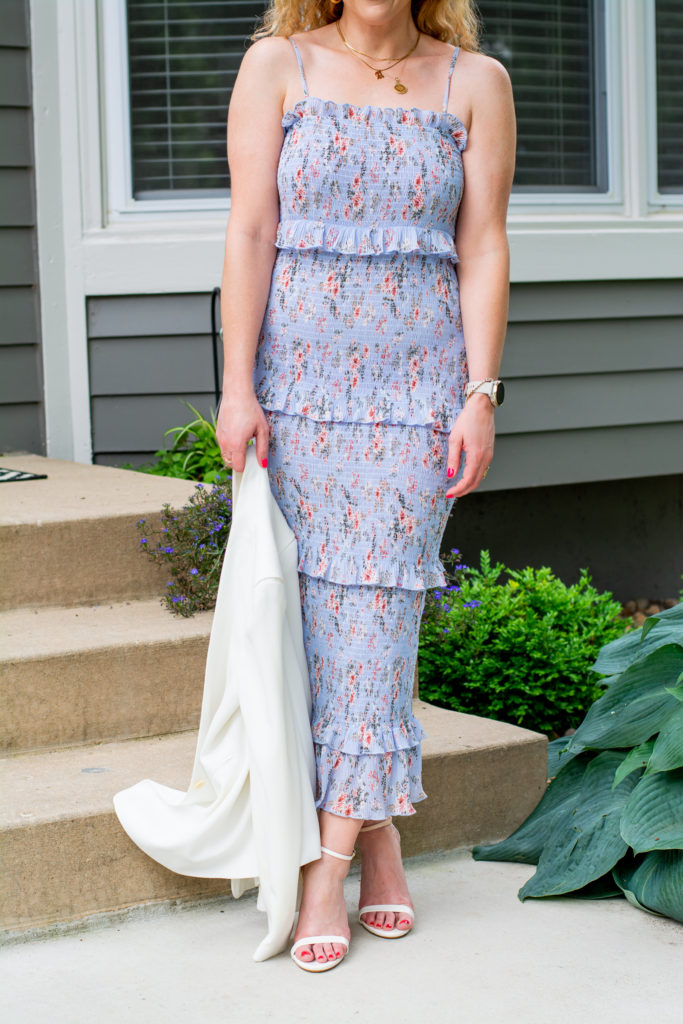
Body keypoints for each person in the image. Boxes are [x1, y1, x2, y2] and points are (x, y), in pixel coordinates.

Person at [216, 0, 515, 972]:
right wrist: (234, 387)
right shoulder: (276, 67)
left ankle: (325, 863)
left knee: (379, 615)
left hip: (416, 396)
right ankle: (379, 837)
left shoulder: (476, 84)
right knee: (321, 625)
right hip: (296, 392)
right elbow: (251, 230)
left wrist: (477, 394)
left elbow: (481, 245)